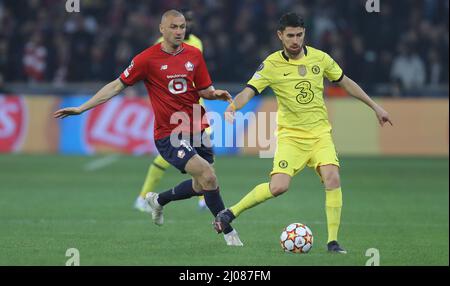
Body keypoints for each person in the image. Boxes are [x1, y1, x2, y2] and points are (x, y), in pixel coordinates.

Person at [54, 10, 243, 246]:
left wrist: (214, 94)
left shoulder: (194, 54)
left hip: (197, 127)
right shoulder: (146, 59)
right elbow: (115, 86)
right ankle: (228, 232)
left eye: (182, 27)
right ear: (161, 29)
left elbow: (203, 88)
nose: (179, 31)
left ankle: (159, 200)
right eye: (173, 27)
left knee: (202, 185)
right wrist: (82, 108)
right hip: (169, 133)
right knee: (209, 175)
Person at [213, 13, 392, 253]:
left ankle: (332, 242)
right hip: (291, 137)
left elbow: (345, 82)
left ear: (304, 33)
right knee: (278, 187)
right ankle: (230, 213)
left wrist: (375, 106)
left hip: (320, 135)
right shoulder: (271, 65)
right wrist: (233, 105)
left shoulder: (321, 58)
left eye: (299, 35)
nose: (295, 40)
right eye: (290, 36)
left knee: (333, 178)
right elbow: (249, 90)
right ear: (280, 36)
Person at [134, 8, 208, 213]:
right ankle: (144, 197)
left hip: (195, 110)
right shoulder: (160, 45)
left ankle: (203, 196)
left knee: (204, 156)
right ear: (166, 27)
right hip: (175, 116)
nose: (186, 27)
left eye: (187, 23)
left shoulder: (196, 44)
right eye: (177, 25)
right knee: (169, 159)